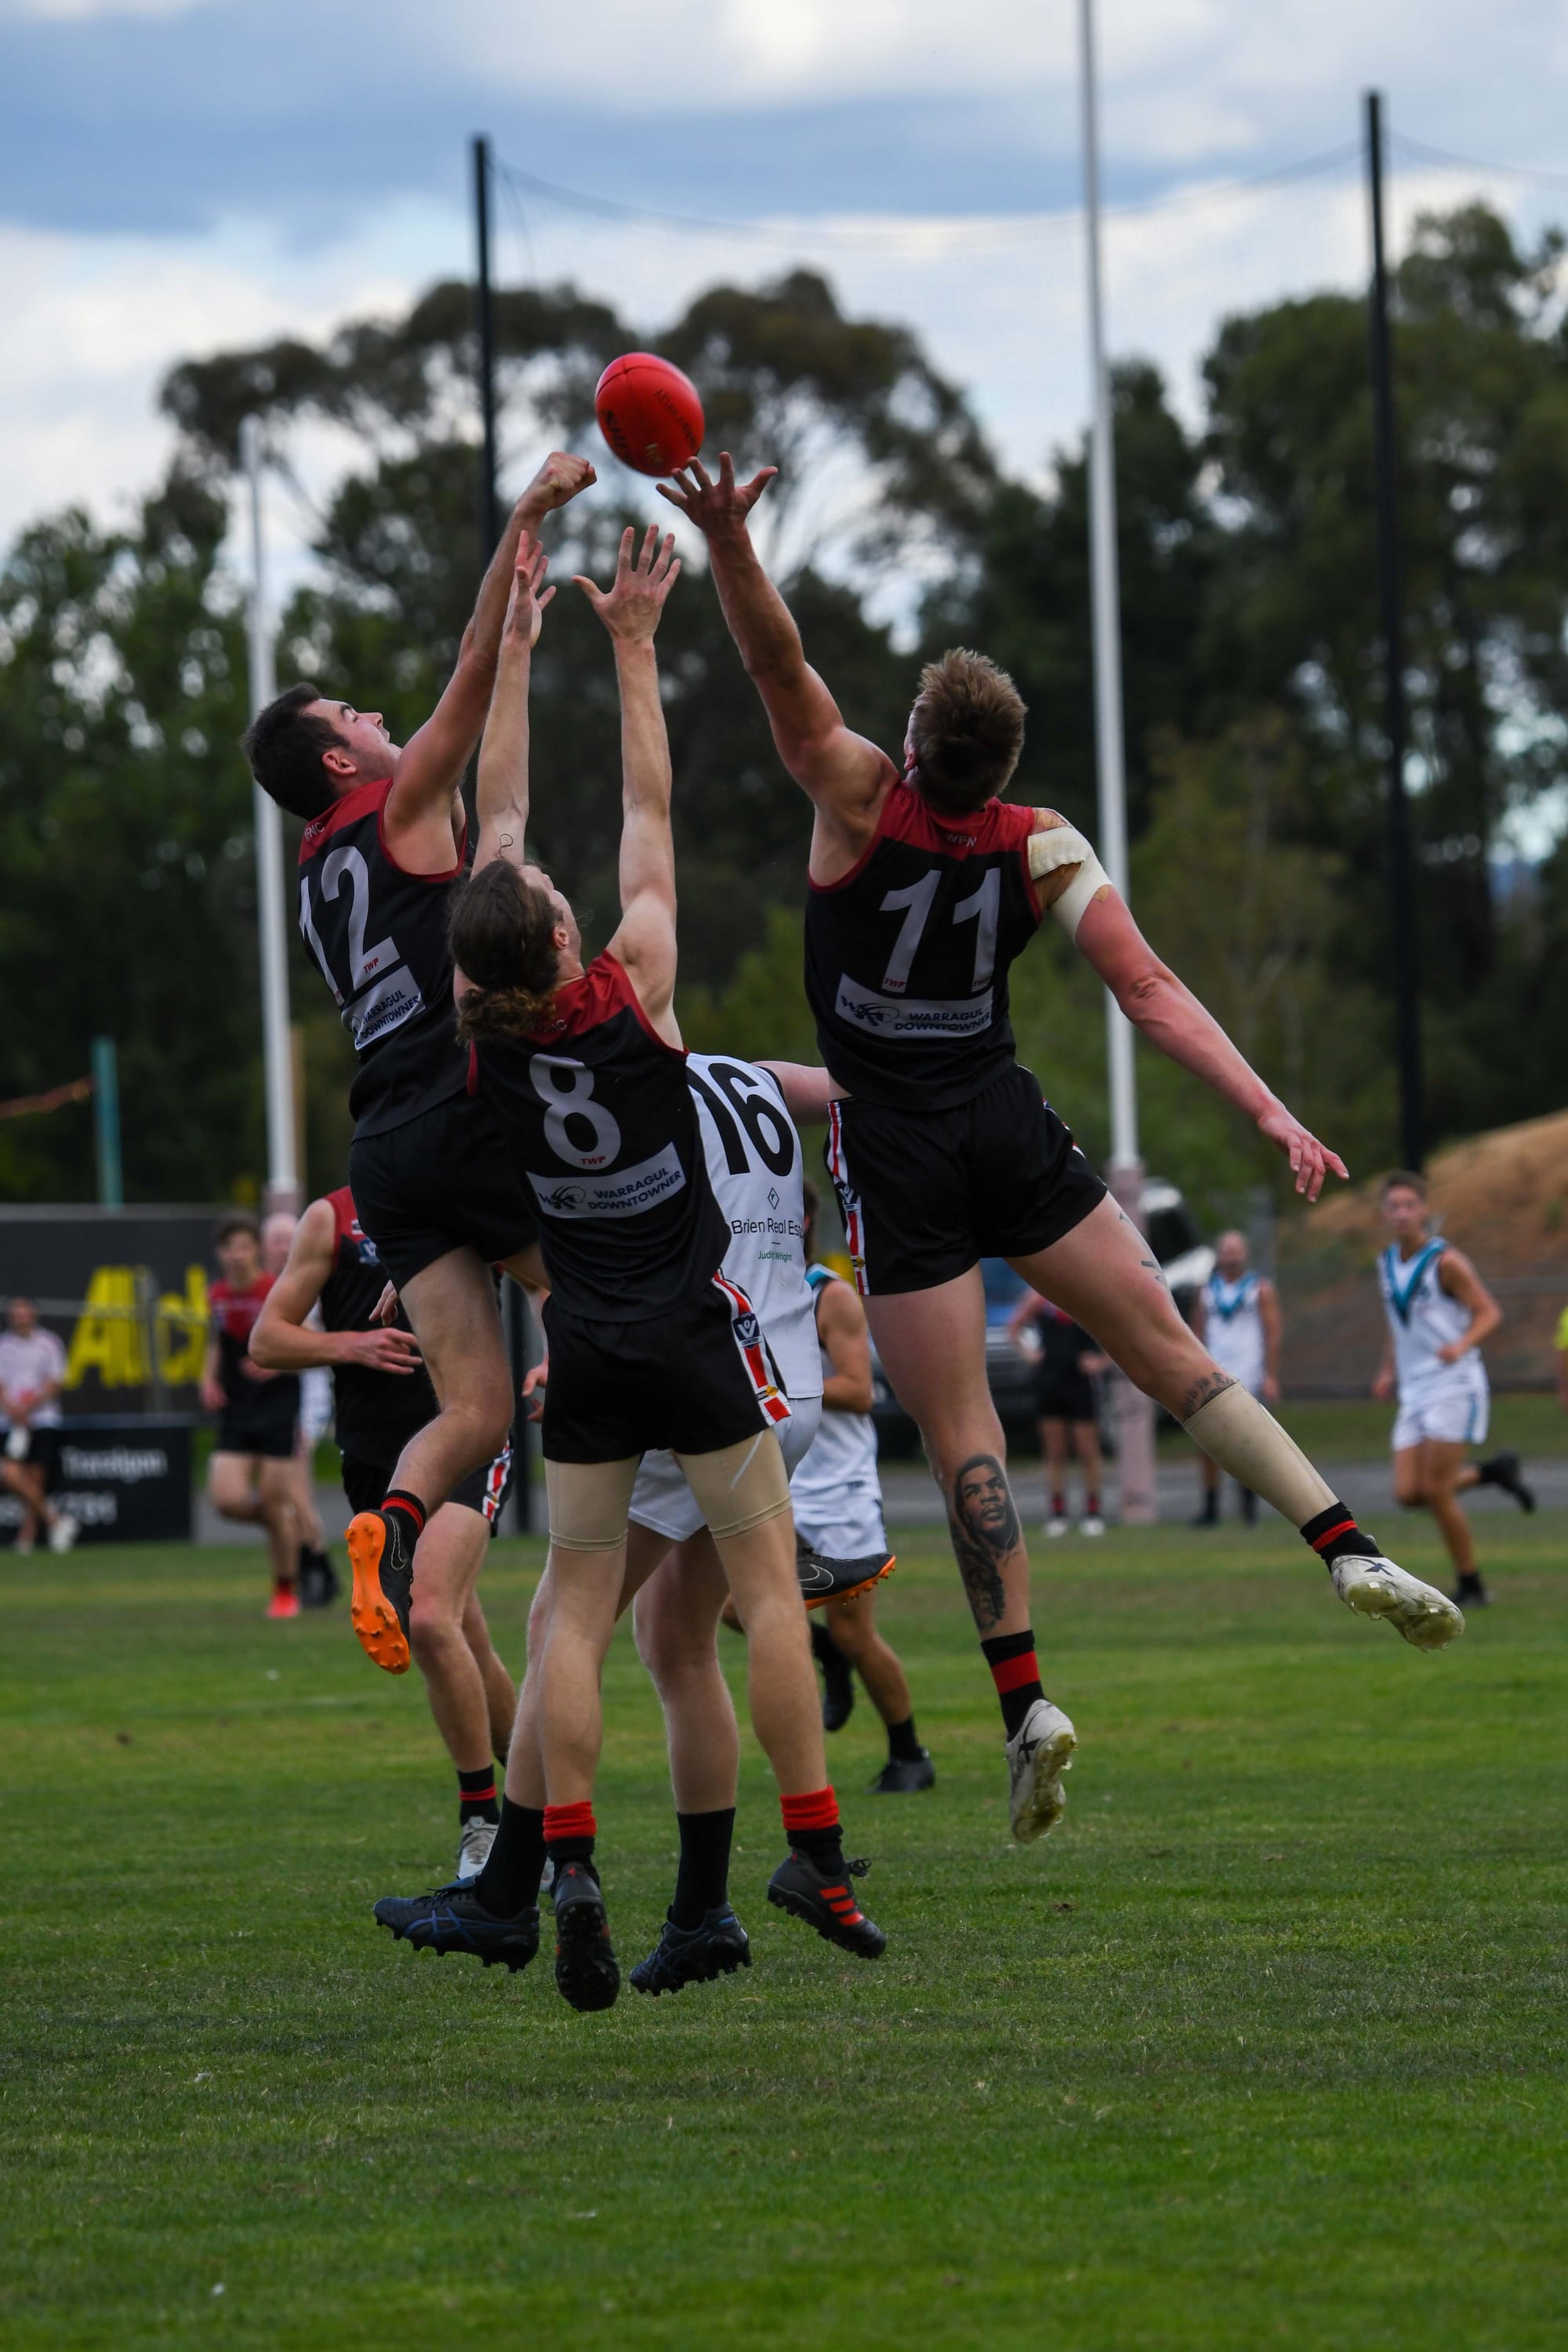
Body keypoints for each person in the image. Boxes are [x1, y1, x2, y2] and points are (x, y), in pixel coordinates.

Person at [659, 452, 1466, 1843]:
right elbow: (1149, 991)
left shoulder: (855, 798)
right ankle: (1345, 1544)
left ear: (914, 744)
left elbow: (776, 664)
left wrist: (732, 536)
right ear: (1007, 765)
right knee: (1175, 1358)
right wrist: (1269, 1107)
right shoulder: (1042, 845)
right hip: (1002, 1118)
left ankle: (1026, 1699)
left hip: (895, 1142)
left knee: (967, 1430)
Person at [379, 523, 883, 2014]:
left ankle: (575, 1865)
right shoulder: (638, 992)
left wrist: (516, 652)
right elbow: (643, 811)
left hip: (586, 1349)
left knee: (573, 1614)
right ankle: (819, 1855)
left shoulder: (481, 1053)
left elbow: (505, 818)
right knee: (769, 1599)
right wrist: (633, 646)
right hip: (699, 1337)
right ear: (558, 937)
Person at [377, 1046, 883, 1996]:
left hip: (703, 1374)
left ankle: (510, 1890)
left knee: (560, 1622)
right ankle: (702, 1912)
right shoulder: (750, 1073)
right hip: (787, 1381)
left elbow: (553, 1211)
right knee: (676, 1640)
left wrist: (436, 1256)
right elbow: (858, 1084)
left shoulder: (625, 1087)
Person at [243, 450, 594, 1677]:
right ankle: (720, 1539)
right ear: (336, 764)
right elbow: (466, 672)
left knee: (475, 1410)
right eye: (351, 716)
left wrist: (516, 657)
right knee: (607, 1293)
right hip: (460, 1104)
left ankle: (389, 1526)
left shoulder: (311, 869)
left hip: (383, 1147)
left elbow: (490, 797)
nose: (374, 717)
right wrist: (524, 520)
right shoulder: (391, 812)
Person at [252, 1186, 520, 1878]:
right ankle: (544, 1812)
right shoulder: (332, 1217)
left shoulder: (470, 1199)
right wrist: (353, 1343)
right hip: (375, 1463)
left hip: (464, 1445)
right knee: (465, 1636)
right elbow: (268, 1338)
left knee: (429, 1619)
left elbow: (552, 1275)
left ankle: (483, 1825)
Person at [794, 1183, 933, 1793]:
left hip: (841, 1489)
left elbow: (857, 1389)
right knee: (729, 1607)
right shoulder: (743, 1293)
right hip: (780, 1481)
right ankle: (824, 1655)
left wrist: (773, 1386)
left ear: (799, 1221)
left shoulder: (830, 1296)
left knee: (856, 1632)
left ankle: (909, 1753)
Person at [1373, 1172, 1533, 1609]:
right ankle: (1493, 1473)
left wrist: (1461, 1344)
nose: (1402, 1213)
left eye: (1410, 1205)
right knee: (1408, 1493)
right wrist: (1387, 1370)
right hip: (1414, 1389)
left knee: (1437, 1491)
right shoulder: (1386, 1263)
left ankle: (1472, 1583)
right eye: (1394, 1206)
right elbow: (1399, 1324)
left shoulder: (1446, 1262)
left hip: (1454, 1382)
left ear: (1424, 1211)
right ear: (1385, 1214)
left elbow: (1489, 1313)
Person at [200, 1214, 303, 1619]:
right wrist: (207, 1380)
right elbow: (216, 1342)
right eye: (230, 1248)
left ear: (256, 1250)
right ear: (220, 1254)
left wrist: (276, 1362)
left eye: (244, 1247)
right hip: (237, 1406)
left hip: (277, 1401)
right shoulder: (218, 1295)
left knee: (277, 1499)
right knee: (226, 1500)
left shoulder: (276, 1289)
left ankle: (285, 1591)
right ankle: (285, 1528)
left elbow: (305, 1337)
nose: (237, 1255)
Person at [260, 1207, 339, 1608]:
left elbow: (309, 1337)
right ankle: (315, 1563)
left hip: (305, 1397)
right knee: (288, 1491)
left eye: (287, 1238)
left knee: (294, 1487)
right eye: (274, 1239)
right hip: (271, 1402)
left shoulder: (308, 1279)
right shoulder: (266, 1286)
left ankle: (319, 1565)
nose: (281, 1247)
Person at [1190, 1232, 1281, 1526]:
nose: (1231, 1256)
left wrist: (1270, 1373)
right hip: (1214, 1371)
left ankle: (1248, 1505)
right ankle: (1211, 1505)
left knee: (1247, 1441)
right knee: (1205, 1441)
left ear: (1245, 1255)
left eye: (1236, 1251)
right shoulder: (1206, 1291)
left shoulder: (1259, 1289)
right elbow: (1197, 1331)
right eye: (1226, 1251)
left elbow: (1272, 1331)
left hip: (1249, 1371)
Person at [1006, 1291, 1109, 1536]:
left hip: (1080, 1383)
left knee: (1088, 1451)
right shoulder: (1040, 1298)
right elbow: (1014, 1327)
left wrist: (1101, 1362)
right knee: (1055, 1453)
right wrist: (1030, 1355)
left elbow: (1116, 1329)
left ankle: (1093, 1512)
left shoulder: (1085, 1294)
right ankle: (1057, 1513)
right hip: (1050, 1382)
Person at [0, 1298, 78, 1555]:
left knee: (35, 1478)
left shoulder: (49, 1343)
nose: (21, 1319)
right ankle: (56, 1521)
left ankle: (27, 1538)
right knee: (10, 1473)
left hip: (43, 1419)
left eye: (25, 1314)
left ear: (33, 1315)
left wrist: (29, 1407)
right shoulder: (4, 1346)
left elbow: (54, 1383)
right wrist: (15, 1411)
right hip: (10, 1421)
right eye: (16, 1315)